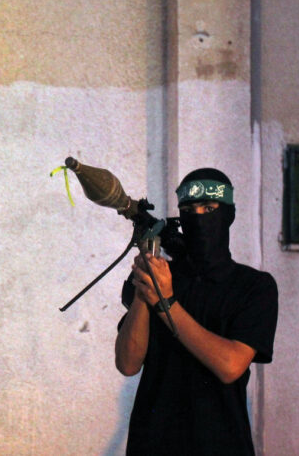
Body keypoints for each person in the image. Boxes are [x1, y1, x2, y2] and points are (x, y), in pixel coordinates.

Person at [115, 168, 278, 455]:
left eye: (209, 208)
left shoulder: (254, 287)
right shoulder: (162, 277)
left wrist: (165, 302)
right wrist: (145, 287)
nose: (199, 217)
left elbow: (230, 366)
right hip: (152, 444)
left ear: (229, 214)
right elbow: (128, 363)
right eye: (189, 210)